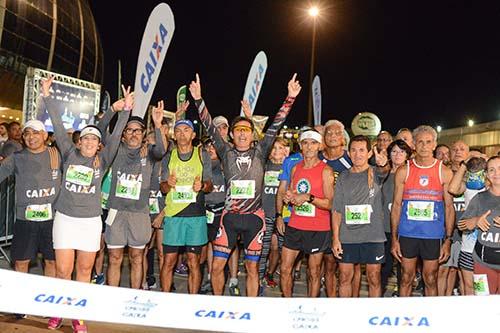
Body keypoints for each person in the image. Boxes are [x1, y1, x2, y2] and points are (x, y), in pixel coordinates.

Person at [190, 73, 301, 296]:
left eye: (246, 130)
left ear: (253, 135)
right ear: (231, 135)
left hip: (254, 219)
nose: (242, 133)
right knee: (216, 266)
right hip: (229, 217)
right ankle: (218, 304)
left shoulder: (261, 152)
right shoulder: (225, 151)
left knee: (252, 268)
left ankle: (251, 309)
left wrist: (290, 98)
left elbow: (276, 125)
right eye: (238, 130)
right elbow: (209, 126)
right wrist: (199, 100)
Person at [42, 77, 131, 332]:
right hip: (65, 220)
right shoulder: (69, 154)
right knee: (62, 271)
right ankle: (59, 312)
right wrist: (47, 96)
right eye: (86, 139)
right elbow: (58, 126)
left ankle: (77, 317)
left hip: (90, 222)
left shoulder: (102, 160)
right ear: (79, 142)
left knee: (84, 270)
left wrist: (124, 111)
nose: (90, 143)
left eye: (95, 140)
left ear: (98, 145)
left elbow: (115, 137)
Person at [105, 102, 166, 289]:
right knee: (114, 258)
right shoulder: (115, 150)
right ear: (123, 134)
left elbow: (161, 151)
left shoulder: (148, 152)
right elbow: (102, 131)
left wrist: (157, 125)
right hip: (116, 212)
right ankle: (113, 296)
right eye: (129, 130)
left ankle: (134, 295)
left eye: (138, 130)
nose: (133, 134)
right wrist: (114, 111)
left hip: (139, 214)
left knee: (137, 257)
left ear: (143, 134)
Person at [0, 120, 59, 312]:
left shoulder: (56, 154)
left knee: (52, 261)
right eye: (26, 134)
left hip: (52, 220)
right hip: (25, 220)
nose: (30, 137)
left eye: (35, 133)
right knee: (21, 261)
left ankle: (49, 304)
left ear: (44, 135)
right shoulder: (16, 157)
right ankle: (20, 303)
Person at [391, 125, 455, 297]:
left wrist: (448, 240)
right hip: (408, 234)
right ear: (414, 145)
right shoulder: (404, 170)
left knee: (430, 278)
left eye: (428, 142)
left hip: (432, 235)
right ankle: (404, 318)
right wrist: (394, 239)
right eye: (420, 142)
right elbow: (396, 206)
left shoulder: (444, 171)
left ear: (434, 144)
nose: (424, 146)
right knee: (406, 277)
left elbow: (449, 208)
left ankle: (430, 317)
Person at [157, 119, 212, 294]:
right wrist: (168, 183)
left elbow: (210, 184)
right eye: (178, 130)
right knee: (169, 261)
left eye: (186, 130)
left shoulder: (202, 155)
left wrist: (202, 186)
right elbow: (163, 187)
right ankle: (165, 298)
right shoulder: (169, 157)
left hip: (196, 216)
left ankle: (192, 300)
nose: (182, 134)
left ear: (193, 135)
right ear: (174, 135)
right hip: (174, 216)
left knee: (193, 261)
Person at [332, 135, 388, 297]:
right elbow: (337, 210)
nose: (358, 154)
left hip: (373, 237)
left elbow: (384, 171)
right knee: (344, 278)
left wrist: (382, 163)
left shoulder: (375, 173)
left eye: (362, 150)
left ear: (369, 153)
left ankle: (372, 317)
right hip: (348, 237)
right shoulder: (343, 176)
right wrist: (336, 238)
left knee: (374, 278)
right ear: (348, 153)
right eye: (354, 150)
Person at [280, 130, 334, 297]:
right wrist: (288, 197)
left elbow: (330, 204)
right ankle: (287, 303)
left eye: (313, 143)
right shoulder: (296, 168)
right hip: (296, 224)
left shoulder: (326, 171)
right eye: (305, 143)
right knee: (284, 269)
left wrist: (309, 198)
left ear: (319, 146)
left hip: (318, 227)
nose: (309, 147)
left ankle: (311, 306)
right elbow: (291, 194)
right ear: (301, 146)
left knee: (314, 272)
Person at [319, 119, 354, 297]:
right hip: (322, 217)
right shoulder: (317, 158)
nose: (332, 136)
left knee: (348, 265)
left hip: (346, 220)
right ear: (324, 137)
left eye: (337, 133)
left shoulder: (351, 158)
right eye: (329, 133)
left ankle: (348, 301)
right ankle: (331, 299)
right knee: (329, 263)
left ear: (343, 137)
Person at [458, 156, 500, 295]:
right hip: (483, 264)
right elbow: (461, 225)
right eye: (492, 170)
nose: (496, 173)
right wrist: (475, 221)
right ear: (486, 175)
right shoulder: (480, 198)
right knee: (483, 306)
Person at [450, 154, 487, 295]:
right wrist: (464, 165)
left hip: (485, 246)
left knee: (483, 289)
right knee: (467, 287)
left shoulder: (491, 186)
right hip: (467, 246)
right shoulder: (467, 187)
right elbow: (453, 189)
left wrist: (489, 163)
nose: (475, 177)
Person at [380, 139, 413, 295]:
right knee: (383, 268)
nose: (397, 155)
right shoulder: (382, 173)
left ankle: (401, 297)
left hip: (405, 228)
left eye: (401, 152)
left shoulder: (412, 174)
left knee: (404, 270)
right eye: (394, 151)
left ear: (407, 155)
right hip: (383, 227)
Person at [259, 137, 289, 291]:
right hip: (265, 213)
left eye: (281, 147)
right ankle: (259, 279)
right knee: (263, 250)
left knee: (284, 251)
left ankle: (279, 279)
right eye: (274, 148)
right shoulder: (264, 165)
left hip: (284, 216)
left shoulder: (290, 166)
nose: (277, 151)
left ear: (286, 150)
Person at [199, 137, 226, 294]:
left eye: (213, 147)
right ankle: (204, 280)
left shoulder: (226, 166)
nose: (210, 149)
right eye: (207, 147)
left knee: (218, 249)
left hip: (220, 212)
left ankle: (216, 283)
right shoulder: (201, 165)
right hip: (203, 211)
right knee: (202, 249)